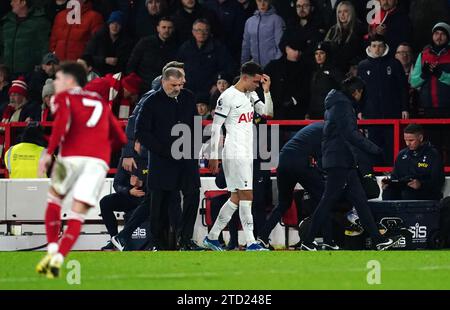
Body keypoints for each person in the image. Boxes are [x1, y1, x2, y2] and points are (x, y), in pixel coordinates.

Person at [35, 62, 127, 278]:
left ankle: (51, 251)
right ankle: (57, 261)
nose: (56, 83)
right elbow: (121, 138)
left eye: (58, 79)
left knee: (54, 201)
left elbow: (61, 125)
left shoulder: (63, 98)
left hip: (71, 158)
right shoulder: (99, 101)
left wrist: (49, 153)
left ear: (70, 80)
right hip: (97, 163)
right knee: (78, 213)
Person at [300, 76, 402, 251]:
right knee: (328, 201)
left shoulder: (335, 104)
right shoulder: (343, 106)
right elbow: (351, 134)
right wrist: (374, 149)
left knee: (360, 201)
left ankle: (378, 240)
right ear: (357, 91)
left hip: (341, 160)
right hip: (339, 160)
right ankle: (307, 240)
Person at [127, 67, 201, 250]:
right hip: (162, 159)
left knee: (193, 195)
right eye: (174, 85)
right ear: (164, 82)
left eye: (180, 84)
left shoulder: (188, 97)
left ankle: (185, 240)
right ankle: (157, 243)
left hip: (187, 157)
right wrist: (163, 150)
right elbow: (141, 132)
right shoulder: (150, 102)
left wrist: (196, 147)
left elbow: (196, 123)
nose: (178, 88)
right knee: (159, 203)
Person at [203, 61, 273, 251]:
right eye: (256, 82)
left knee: (235, 197)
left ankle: (212, 236)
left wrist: (266, 91)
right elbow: (216, 126)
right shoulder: (227, 97)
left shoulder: (250, 95)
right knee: (247, 195)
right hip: (235, 152)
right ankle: (251, 242)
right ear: (245, 78)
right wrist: (214, 155)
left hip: (245, 152)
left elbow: (268, 113)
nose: (257, 85)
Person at [257, 122, 325, 248]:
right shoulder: (330, 131)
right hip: (300, 161)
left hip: (283, 160)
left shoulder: (316, 128)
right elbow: (322, 158)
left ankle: (263, 236)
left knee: (284, 203)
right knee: (323, 198)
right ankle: (313, 238)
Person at [357, 34, 409, 165]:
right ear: (370, 47)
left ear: (385, 47)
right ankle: (376, 173)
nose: (377, 49)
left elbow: (403, 88)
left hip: (392, 113)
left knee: (392, 145)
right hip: (371, 115)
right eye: (374, 46)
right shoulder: (363, 65)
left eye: (380, 46)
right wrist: (359, 110)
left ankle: (393, 171)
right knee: (373, 145)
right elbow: (358, 91)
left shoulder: (394, 63)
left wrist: (405, 108)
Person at [177, 18, 236, 100]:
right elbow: (177, 67)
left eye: (205, 30)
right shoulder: (186, 47)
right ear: (193, 32)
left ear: (209, 32)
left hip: (210, 91)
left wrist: (217, 85)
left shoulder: (218, 48)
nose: (201, 33)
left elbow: (227, 68)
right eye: (198, 30)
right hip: (188, 89)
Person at [382, 124, 445, 201]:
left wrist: (421, 185)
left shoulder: (433, 154)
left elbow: (438, 181)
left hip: (426, 192)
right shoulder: (401, 155)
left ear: (420, 138)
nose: (407, 143)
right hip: (404, 189)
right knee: (388, 192)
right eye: (405, 140)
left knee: (408, 193)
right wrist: (389, 183)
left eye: (411, 140)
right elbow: (395, 177)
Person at [99, 157, 147, 250]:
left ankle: (156, 241)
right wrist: (129, 191)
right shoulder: (126, 159)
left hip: (146, 196)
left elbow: (155, 181)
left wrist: (142, 183)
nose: (138, 145)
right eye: (135, 142)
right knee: (105, 202)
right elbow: (116, 184)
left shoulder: (149, 157)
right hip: (130, 196)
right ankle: (115, 239)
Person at [127, 17, 179, 93]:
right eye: (163, 27)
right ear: (158, 28)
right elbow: (131, 65)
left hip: (163, 90)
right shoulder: (145, 43)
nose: (166, 30)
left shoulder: (176, 47)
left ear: (173, 29)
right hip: (143, 88)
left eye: (169, 28)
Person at [264, 35, 311, 120]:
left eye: (299, 50)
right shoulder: (273, 67)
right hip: (275, 115)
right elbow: (263, 86)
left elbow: (307, 89)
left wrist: (294, 100)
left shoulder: (306, 69)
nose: (297, 53)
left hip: (297, 115)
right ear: (286, 48)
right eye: (294, 49)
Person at [0, 0, 50, 76]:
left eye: (14, 1)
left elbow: (44, 47)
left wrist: (40, 67)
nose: (11, 3)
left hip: (28, 74)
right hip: (6, 73)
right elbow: (2, 45)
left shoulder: (39, 22)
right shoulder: (7, 22)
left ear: (23, 2)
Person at [410, 22, 450, 117]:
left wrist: (441, 75)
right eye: (436, 33)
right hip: (427, 108)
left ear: (448, 37)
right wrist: (424, 75)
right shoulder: (423, 54)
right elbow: (413, 83)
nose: (439, 37)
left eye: (443, 34)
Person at [84, 10, 133, 76]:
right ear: (109, 24)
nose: (115, 26)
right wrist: (104, 60)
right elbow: (88, 57)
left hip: (117, 76)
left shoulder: (127, 41)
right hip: (97, 74)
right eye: (112, 23)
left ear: (122, 26)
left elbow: (128, 62)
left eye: (118, 24)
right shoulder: (98, 37)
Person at [324, 1, 365, 74]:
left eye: (345, 11)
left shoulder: (360, 29)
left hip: (352, 71)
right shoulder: (333, 30)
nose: (342, 15)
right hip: (334, 71)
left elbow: (363, 51)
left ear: (351, 12)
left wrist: (355, 65)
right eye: (339, 12)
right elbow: (325, 48)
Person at [241, 0, 286, 67]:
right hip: (255, 68)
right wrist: (243, 66)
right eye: (259, 0)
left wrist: (276, 66)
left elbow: (281, 47)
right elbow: (246, 47)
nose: (262, 4)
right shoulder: (249, 22)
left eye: (265, 0)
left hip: (273, 68)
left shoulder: (277, 20)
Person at [307, 42, 344, 119]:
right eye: (316, 53)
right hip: (314, 113)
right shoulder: (314, 72)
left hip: (329, 113)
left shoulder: (334, 71)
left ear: (327, 54)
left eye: (322, 53)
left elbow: (343, 89)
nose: (318, 56)